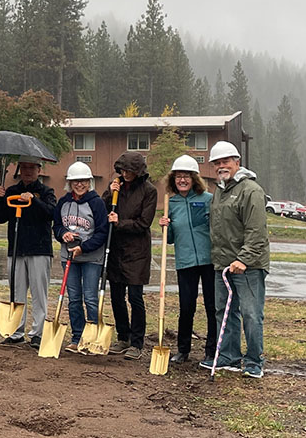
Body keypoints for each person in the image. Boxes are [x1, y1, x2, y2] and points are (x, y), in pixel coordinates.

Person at [206, 141, 269, 378]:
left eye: (226, 162)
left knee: (252, 314)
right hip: (223, 264)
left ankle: (254, 361)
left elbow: (257, 230)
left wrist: (243, 259)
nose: (221, 166)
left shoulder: (250, 190)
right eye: (217, 163)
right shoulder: (220, 192)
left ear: (237, 163)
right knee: (224, 311)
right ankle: (229, 357)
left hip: (249, 266)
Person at [158, 155, 216, 364]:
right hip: (185, 262)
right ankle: (183, 350)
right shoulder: (170, 202)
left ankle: (212, 350)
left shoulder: (207, 199)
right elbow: (171, 240)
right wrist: (166, 226)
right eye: (178, 177)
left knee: (211, 306)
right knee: (186, 307)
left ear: (194, 179)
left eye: (186, 177)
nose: (182, 180)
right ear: (173, 179)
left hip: (209, 261)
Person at [0, 156, 56, 348]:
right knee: (16, 292)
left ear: (39, 170)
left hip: (39, 249)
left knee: (39, 293)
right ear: (19, 170)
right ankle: (16, 332)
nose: (28, 171)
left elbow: (50, 214)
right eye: (24, 168)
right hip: (17, 248)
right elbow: (0, 218)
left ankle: (37, 333)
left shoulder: (46, 191)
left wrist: (33, 201)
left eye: (32, 168)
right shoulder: (12, 191)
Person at [103, 151, 157, 360]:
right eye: (123, 170)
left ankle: (137, 342)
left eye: (130, 171)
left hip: (137, 251)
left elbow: (144, 223)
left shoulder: (149, 191)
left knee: (135, 297)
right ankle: (122, 337)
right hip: (116, 249)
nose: (125, 174)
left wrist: (120, 223)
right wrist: (109, 192)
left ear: (138, 171)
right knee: (116, 296)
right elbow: (103, 207)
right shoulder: (116, 187)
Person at [52, 162, 108, 353]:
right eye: (76, 181)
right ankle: (77, 337)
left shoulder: (97, 203)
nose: (80, 184)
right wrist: (63, 234)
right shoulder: (63, 202)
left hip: (91, 258)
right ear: (70, 182)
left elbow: (102, 233)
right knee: (74, 298)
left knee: (91, 298)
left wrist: (83, 248)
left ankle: (94, 338)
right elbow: (57, 226)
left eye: (83, 181)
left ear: (89, 182)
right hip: (69, 257)